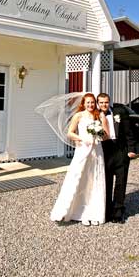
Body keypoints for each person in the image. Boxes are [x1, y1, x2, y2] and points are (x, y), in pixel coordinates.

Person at [50, 93, 109, 226]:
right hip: (82, 150)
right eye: (88, 102)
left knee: (94, 179)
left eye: (92, 102)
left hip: (96, 152)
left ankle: (93, 212)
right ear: (83, 103)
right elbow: (70, 133)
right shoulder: (79, 115)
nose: (90, 105)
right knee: (79, 178)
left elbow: (106, 136)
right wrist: (82, 138)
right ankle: (77, 212)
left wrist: (98, 134)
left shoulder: (99, 115)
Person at [97, 93, 137, 224]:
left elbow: (129, 132)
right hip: (104, 153)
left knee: (121, 183)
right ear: (98, 103)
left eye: (106, 102)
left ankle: (118, 212)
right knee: (106, 183)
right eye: (101, 102)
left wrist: (131, 149)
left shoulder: (119, 112)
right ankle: (107, 212)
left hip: (120, 152)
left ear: (109, 102)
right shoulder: (94, 116)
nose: (104, 104)